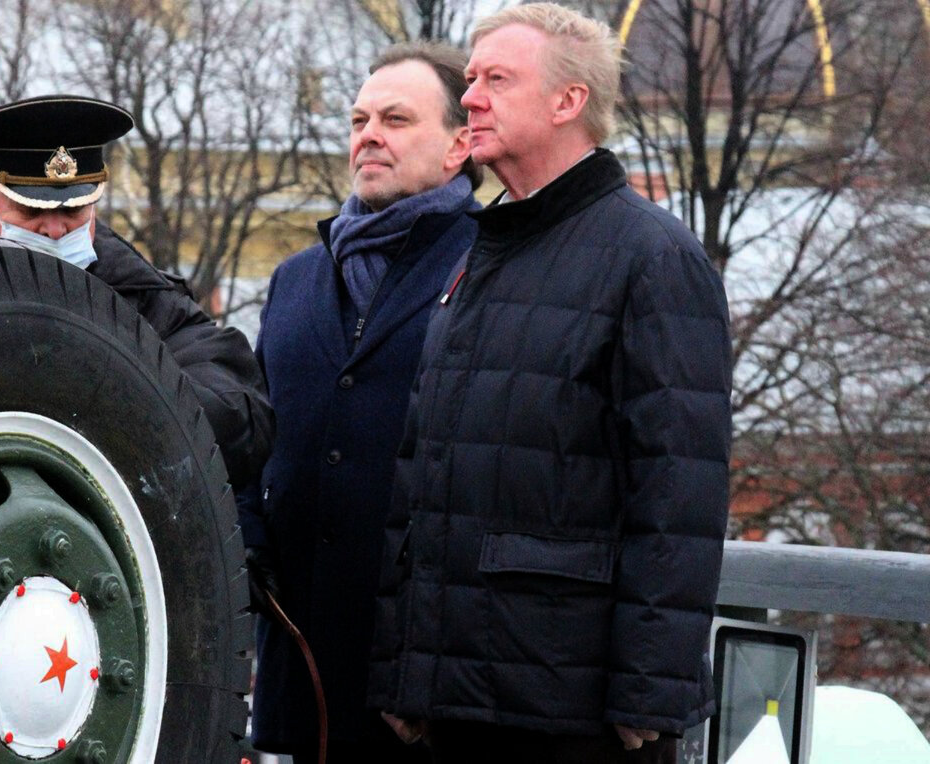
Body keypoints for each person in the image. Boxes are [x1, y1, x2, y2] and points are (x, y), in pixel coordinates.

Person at [369, 5, 733, 763]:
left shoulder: (653, 258)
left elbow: (679, 496)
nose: (470, 98)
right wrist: (405, 671)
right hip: (457, 704)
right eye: (470, 80)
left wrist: (651, 691)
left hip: (575, 716)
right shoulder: (483, 253)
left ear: (568, 103)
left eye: (496, 79)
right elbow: (423, 478)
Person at [237, 43, 481, 763]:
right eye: (359, 119)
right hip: (298, 681)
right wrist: (247, 536)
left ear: (459, 145)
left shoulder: (493, 267)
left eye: (397, 119)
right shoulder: (295, 280)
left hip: (424, 698)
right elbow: (253, 437)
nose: (368, 134)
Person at [0, 95, 273, 488]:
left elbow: (241, 417)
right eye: (32, 212)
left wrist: (116, 375)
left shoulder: (145, 298)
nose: (56, 230)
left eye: (73, 210)